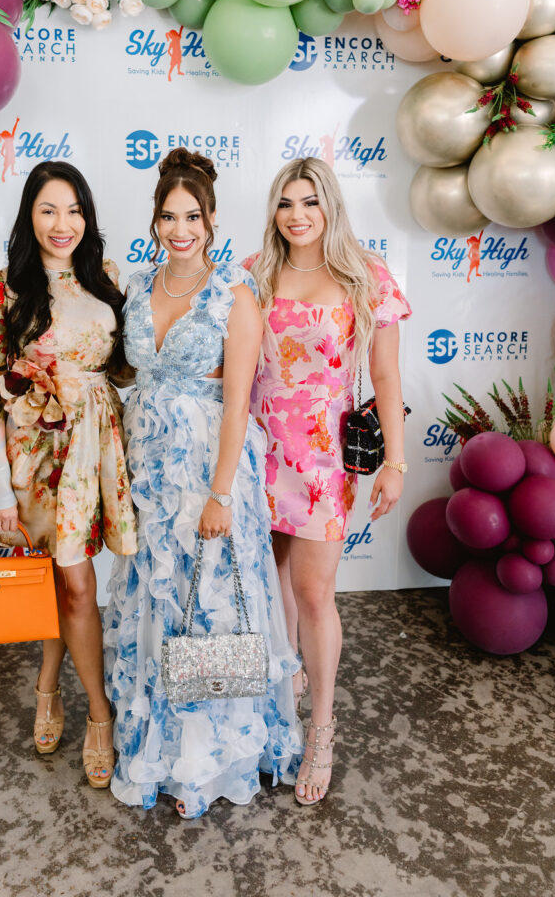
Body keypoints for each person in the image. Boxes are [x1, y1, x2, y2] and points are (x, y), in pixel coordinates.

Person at [104, 148, 301, 819]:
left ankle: (209, 759)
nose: (179, 229)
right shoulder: (134, 287)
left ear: (212, 220)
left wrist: (220, 495)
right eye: (168, 216)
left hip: (206, 473)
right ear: (155, 221)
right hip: (146, 471)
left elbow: (238, 404)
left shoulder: (232, 295)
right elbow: (121, 375)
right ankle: (155, 751)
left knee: (207, 605)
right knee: (153, 605)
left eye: (192, 216)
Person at [0, 161, 137, 788]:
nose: (64, 224)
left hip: (94, 450)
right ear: (29, 214)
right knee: (67, 584)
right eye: (50, 209)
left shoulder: (106, 280)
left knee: (73, 583)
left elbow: (124, 369)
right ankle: (98, 715)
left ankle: (50, 686)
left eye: (75, 210)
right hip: (33, 456)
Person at [244, 157, 411, 807]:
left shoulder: (366, 276)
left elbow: (389, 379)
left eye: (309, 202)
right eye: (286, 202)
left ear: (329, 207)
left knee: (313, 594)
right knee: (268, 586)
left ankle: (321, 730)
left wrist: (394, 462)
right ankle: (281, 700)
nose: (297, 214)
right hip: (260, 453)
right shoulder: (256, 272)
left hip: (320, 460)